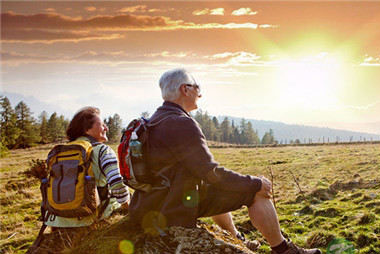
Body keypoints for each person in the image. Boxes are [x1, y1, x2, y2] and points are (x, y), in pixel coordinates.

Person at [129, 68, 320, 254]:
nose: (199, 93)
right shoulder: (182, 123)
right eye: (196, 86)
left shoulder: (153, 121)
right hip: (171, 208)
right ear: (184, 89)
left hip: (148, 205)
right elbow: (211, 173)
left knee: (213, 188)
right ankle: (283, 250)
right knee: (256, 193)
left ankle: (236, 238)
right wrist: (255, 183)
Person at [29, 107, 130, 253]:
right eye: (101, 124)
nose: (106, 128)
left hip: (58, 219)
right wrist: (128, 206)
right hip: (91, 218)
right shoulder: (103, 150)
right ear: (87, 130)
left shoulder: (60, 152)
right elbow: (117, 185)